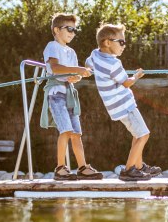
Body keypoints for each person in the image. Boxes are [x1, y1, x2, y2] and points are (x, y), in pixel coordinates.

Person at [85, 23, 161, 181]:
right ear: (107, 42)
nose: (124, 46)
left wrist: (87, 71)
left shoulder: (95, 55)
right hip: (125, 105)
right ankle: (128, 170)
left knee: (137, 134)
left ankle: (139, 166)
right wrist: (136, 77)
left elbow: (88, 64)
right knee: (144, 135)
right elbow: (126, 82)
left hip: (114, 107)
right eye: (121, 42)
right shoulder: (113, 63)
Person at [39, 13, 103, 180]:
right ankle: (60, 168)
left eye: (75, 30)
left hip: (69, 94)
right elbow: (56, 68)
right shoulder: (52, 46)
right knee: (66, 131)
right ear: (56, 30)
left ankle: (82, 167)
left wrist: (78, 76)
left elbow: (73, 75)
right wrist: (78, 70)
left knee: (76, 133)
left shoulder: (72, 52)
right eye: (69, 29)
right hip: (56, 95)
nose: (72, 33)